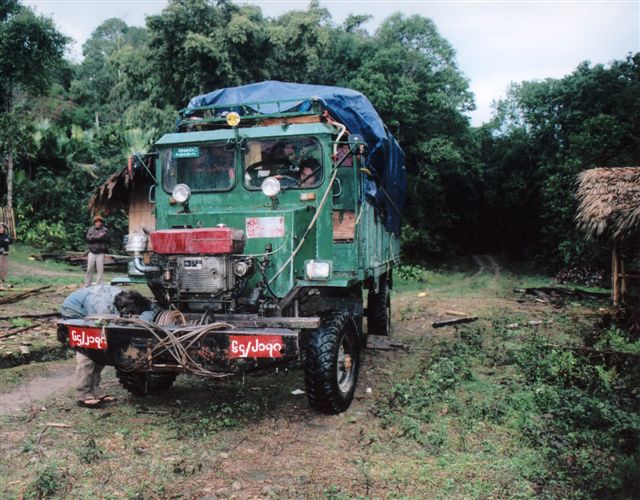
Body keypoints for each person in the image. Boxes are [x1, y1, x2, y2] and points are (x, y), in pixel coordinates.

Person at [60, 286, 151, 408]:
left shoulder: (124, 297)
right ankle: (83, 394)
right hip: (75, 311)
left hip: (95, 312)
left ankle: (95, 390)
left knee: (101, 353)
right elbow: (98, 322)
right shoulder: (100, 303)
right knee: (88, 352)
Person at [85, 216, 108, 287]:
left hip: (101, 252)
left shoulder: (105, 230)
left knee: (100, 269)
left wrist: (93, 237)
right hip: (92, 252)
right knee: (89, 268)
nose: (98, 223)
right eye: (96, 222)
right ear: (94, 223)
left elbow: (100, 237)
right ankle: (87, 284)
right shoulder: (91, 229)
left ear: (101, 223)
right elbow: (88, 239)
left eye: (99, 222)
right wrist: (95, 237)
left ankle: (99, 284)